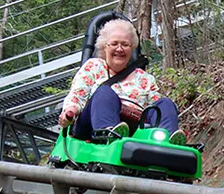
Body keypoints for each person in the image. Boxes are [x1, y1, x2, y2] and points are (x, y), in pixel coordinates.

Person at [56, 19, 189, 147]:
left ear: (131, 48)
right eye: (114, 44)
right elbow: (77, 96)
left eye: (125, 45)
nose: (119, 49)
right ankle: (109, 134)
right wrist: (70, 111)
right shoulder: (94, 66)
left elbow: (155, 111)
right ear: (105, 46)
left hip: (135, 127)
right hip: (92, 125)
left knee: (165, 103)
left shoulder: (144, 78)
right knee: (104, 93)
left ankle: (168, 141)